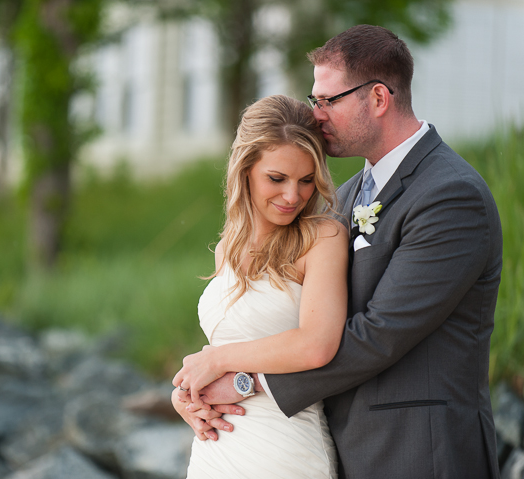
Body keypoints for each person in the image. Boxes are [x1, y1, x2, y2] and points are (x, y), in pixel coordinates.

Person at [174, 24, 503, 479]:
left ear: (378, 99)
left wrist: (243, 382)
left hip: (419, 451)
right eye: (314, 101)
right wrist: (195, 387)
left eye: (328, 101)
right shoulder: (341, 200)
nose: (317, 115)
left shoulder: (450, 195)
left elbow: (380, 333)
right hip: (338, 443)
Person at [172, 94, 349, 478]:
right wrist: (187, 394)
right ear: (245, 169)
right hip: (215, 451)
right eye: (277, 178)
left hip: (284, 451)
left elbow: (316, 344)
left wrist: (216, 362)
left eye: (305, 181)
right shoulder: (226, 249)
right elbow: (232, 342)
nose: (293, 196)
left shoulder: (322, 238)